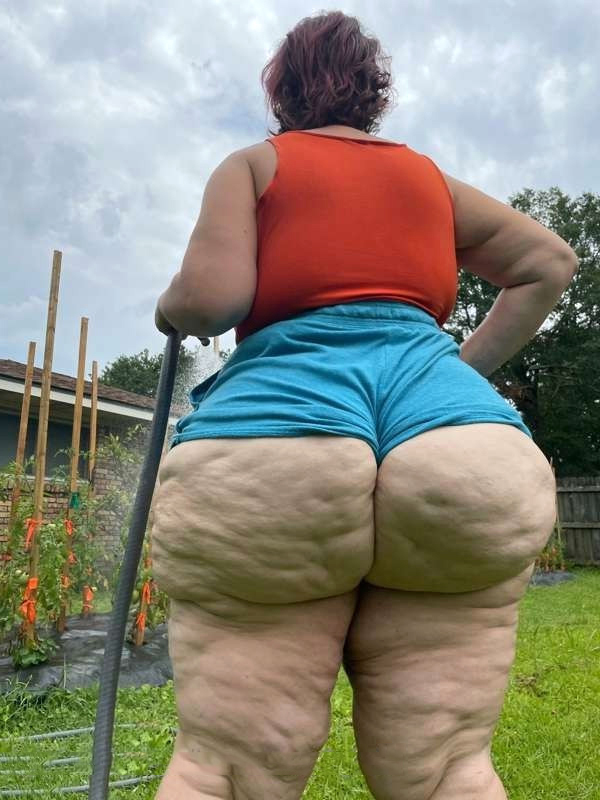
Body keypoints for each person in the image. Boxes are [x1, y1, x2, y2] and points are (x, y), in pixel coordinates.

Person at [151, 11, 578, 800]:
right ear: (373, 91)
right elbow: (549, 261)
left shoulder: (254, 166)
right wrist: (455, 376)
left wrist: (169, 308)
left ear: (282, 91)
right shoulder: (427, 180)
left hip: (274, 452)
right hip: (461, 450)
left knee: (226, 773)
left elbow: (211, 300)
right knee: (447, 769)